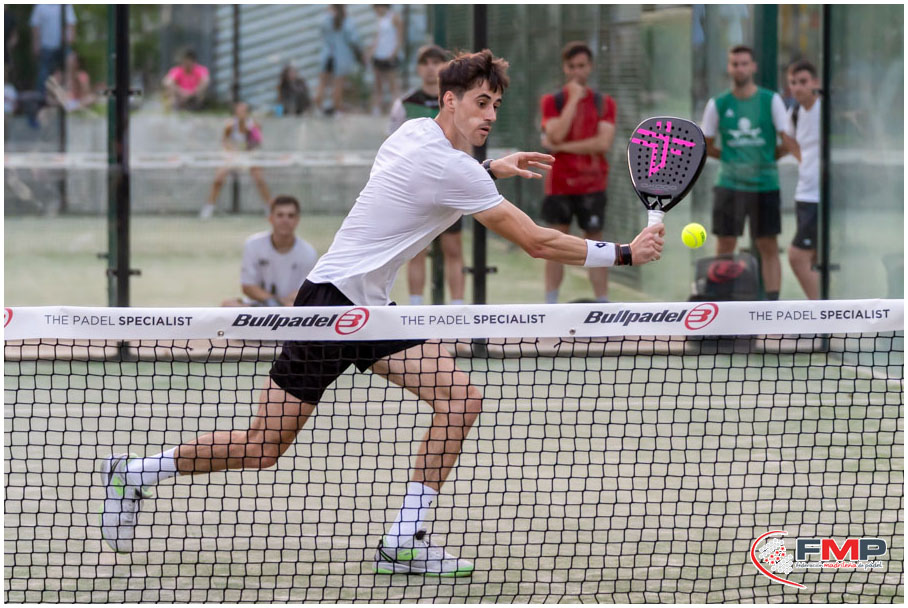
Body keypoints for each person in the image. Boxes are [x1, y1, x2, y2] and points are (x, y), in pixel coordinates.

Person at [99, 49, 664, 577]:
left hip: (370, 310)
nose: (490, 114)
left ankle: (404, 540)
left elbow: (429, 182)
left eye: (495, 104)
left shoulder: (412, 133)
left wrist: (491, 167)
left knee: (460, 399)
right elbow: (537, 241)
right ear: (449, 100)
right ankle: (134, 473)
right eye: (480, 102)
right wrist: (624, 253)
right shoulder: (455, 168)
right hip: (329, 307)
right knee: (263, 447)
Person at [701, 45, 797, 301]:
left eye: (744, 63)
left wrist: (766, 158)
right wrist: (730, 158)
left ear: (753, 67)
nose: (740, 68)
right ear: (729, 67)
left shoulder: (771, 100)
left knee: (768, 245)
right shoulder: (718, 104)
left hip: (765, 184)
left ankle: (772, 305)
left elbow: (787, 141)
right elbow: (706, 145)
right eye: (735, 64)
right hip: (729, 184)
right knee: (725, 244)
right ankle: (721, 300)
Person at [539, 41, 617, 304]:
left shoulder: (604, 103)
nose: (576, 71)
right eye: (571, 66)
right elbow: (555, 133)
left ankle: (603, 304)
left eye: (581, 66)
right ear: (565, 68)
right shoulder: (553, 101)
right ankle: (550, 304)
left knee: (596, 244)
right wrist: (573, 99)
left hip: (592, 184)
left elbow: (602, 143)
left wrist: (561, 147)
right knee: (555, 243)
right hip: (560, 185)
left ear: (590, 67)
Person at [388, 44, 463, 305]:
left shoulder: (457, 102)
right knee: (417, 249)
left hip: (450, 185)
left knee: (454, 248)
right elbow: (395, 144)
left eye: (436, 62)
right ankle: (416, 311)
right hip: (417, 186)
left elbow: (466, 142)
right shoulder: (406, 104)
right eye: (425, 63)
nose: (431, 68)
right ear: (418, 69)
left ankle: (457, 311)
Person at [221, 195, 319, 307]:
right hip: (259, 305)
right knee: (227, 305)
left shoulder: (308, 253)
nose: (285, 220)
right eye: (280, 215)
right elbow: (247, 286)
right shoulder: (252, 245)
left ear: (297, 220)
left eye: (290, 216)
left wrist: (283, 304)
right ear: (270, 218)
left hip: (290, 307)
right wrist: (272, 301)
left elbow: (305, 291)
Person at [785, 59, 820, 300]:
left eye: (803, 81)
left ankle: (823, 311)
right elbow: (789, 140)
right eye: (793, 83)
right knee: (813, 257)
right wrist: (804, 161)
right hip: (804, 194)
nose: (797, 87)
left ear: (815, 82)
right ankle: (825, 310)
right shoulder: (794, 113)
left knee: (797, 256)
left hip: (820, 197)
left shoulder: (827, 110)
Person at [200, 101, 271, 219]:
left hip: (248, 156)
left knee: (259, 179)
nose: (241, 113)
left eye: (244, 110)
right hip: (233, 156)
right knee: (218, 179)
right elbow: (225, 141)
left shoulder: (253, 125)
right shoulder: (230, 125)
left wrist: (248, 148)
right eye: (239, 110)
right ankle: (209, 207)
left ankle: (269, 208)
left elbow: (257, 142)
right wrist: (233, 151)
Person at [313, 5, 361, 115]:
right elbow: (354, 39)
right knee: (338, 84)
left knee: (322, 83)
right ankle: (336, 110)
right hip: (341, 57)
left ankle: (318, 109)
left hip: (327, 55)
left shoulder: (326, 20)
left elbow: (321, 31)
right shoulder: (347, 21)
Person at [30, 4, 76, 96]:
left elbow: (71, 25)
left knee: (68, 66)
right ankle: (41, 97)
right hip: (46, 46)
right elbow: (35, 26)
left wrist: (69, 39)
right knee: (44, 74)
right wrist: (36, 44)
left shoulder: (66, 5)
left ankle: (67, 94)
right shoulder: (40, 6)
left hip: (63, 46)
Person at [367, 4, 403, 115]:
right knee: (378, 83)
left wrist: (394, 53)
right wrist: (371, 52)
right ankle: (377, 107)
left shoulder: (394, 17)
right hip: (379, 55)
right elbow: (378, 38)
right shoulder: (380, 19)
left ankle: (396, 109)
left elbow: (400, 37)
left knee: (392, 83)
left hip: (389, 55)